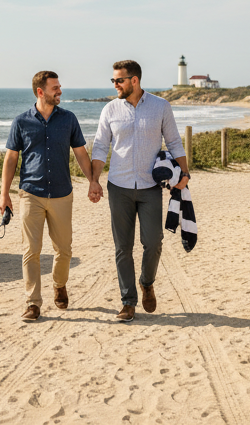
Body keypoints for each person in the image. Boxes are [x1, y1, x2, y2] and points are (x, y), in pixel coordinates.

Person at [90, 60, 189, 322]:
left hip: (149, 187)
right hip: (119, 186)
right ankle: (128, 301)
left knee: (153, 242)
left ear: (134, 80)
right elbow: (100, 146)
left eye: (119, 80)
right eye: (113, 80)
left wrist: (185, 173)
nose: (115, 85)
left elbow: (174, 142)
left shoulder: (160, 106)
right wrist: (94, 180)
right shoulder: (110, 109)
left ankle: (147, 282)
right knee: (123, 247)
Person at [0, 71, 97, 323]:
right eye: (55, 88)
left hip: (62, 194)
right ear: (40, 92)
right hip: (30, 193)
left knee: (64, 249)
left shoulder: (69, 119)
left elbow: (81, 154)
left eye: (60, 86)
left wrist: (93, 181)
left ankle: (59, 284)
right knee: (30, 250)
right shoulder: (21, 122)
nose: (60, 91)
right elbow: (11, 158)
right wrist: (4, 195)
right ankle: (32, 303)